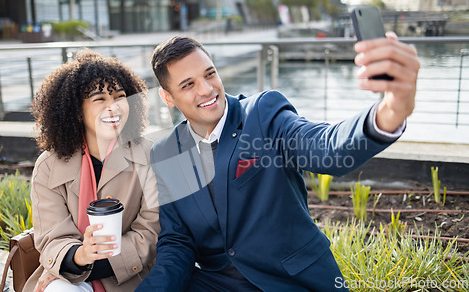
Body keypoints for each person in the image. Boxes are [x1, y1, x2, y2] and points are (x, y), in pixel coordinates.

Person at [136, 34, 420, 292]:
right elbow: (177, 241)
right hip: (219, 283)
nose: (207, 89)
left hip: (292, 279)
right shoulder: (165, 153)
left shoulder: (262, 113)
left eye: (210, 74)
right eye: (188, 85)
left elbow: (326, 147)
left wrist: (390, 112)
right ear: (168, 97)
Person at [24, 49, 160, 292]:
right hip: (71, 273)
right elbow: (52, 238)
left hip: (129, 277)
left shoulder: (152, 157)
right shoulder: (48, 166)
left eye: (120, 96)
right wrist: (79, 256)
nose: (114, 107)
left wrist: (83, 267)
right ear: (77, 110)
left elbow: (150, 233)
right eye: (99, 99)